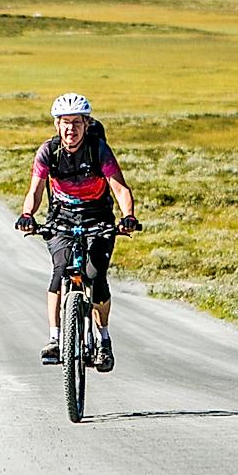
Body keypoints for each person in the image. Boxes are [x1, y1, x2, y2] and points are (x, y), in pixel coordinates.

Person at [16, 93, 139, 371]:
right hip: (62, 217)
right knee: (60, 270)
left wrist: (128, 216)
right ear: (57, 126)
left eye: (76, 123)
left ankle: (103, 339)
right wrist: (27, 215)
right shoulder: (49, 151)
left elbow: (120, 188)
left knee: (96, 275)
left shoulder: (99, 150)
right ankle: (55, 338)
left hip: (98, 217)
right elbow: (35, 190)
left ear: (86, 124)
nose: (70, 128)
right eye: (64, 123)